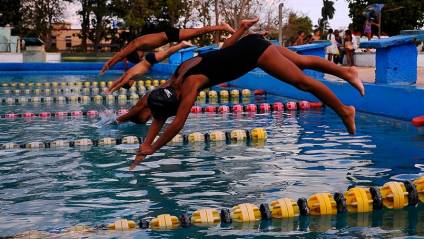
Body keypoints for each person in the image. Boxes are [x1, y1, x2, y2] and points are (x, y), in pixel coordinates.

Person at [107, 18, 363, 169]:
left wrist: (154, 148)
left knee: (303, 83)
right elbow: (160, 115)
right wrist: (146, 147)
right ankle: (348, 73)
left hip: (254, 54)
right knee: (302, 61)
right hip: (246, 47)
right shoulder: (174, 79)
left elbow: (175, 125)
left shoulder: (190, 87)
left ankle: (343, 110)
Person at [99, 23, 235, 75]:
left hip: (169, 34)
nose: (141, 58)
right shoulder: (140, 47)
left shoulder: (135, 44)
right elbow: (123, 56)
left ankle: (222, 27)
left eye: (139, 57)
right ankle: (222, 27)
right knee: (197, 32)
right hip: (169, 36)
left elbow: (120, 54)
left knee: (197, 32)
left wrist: (108, 64)